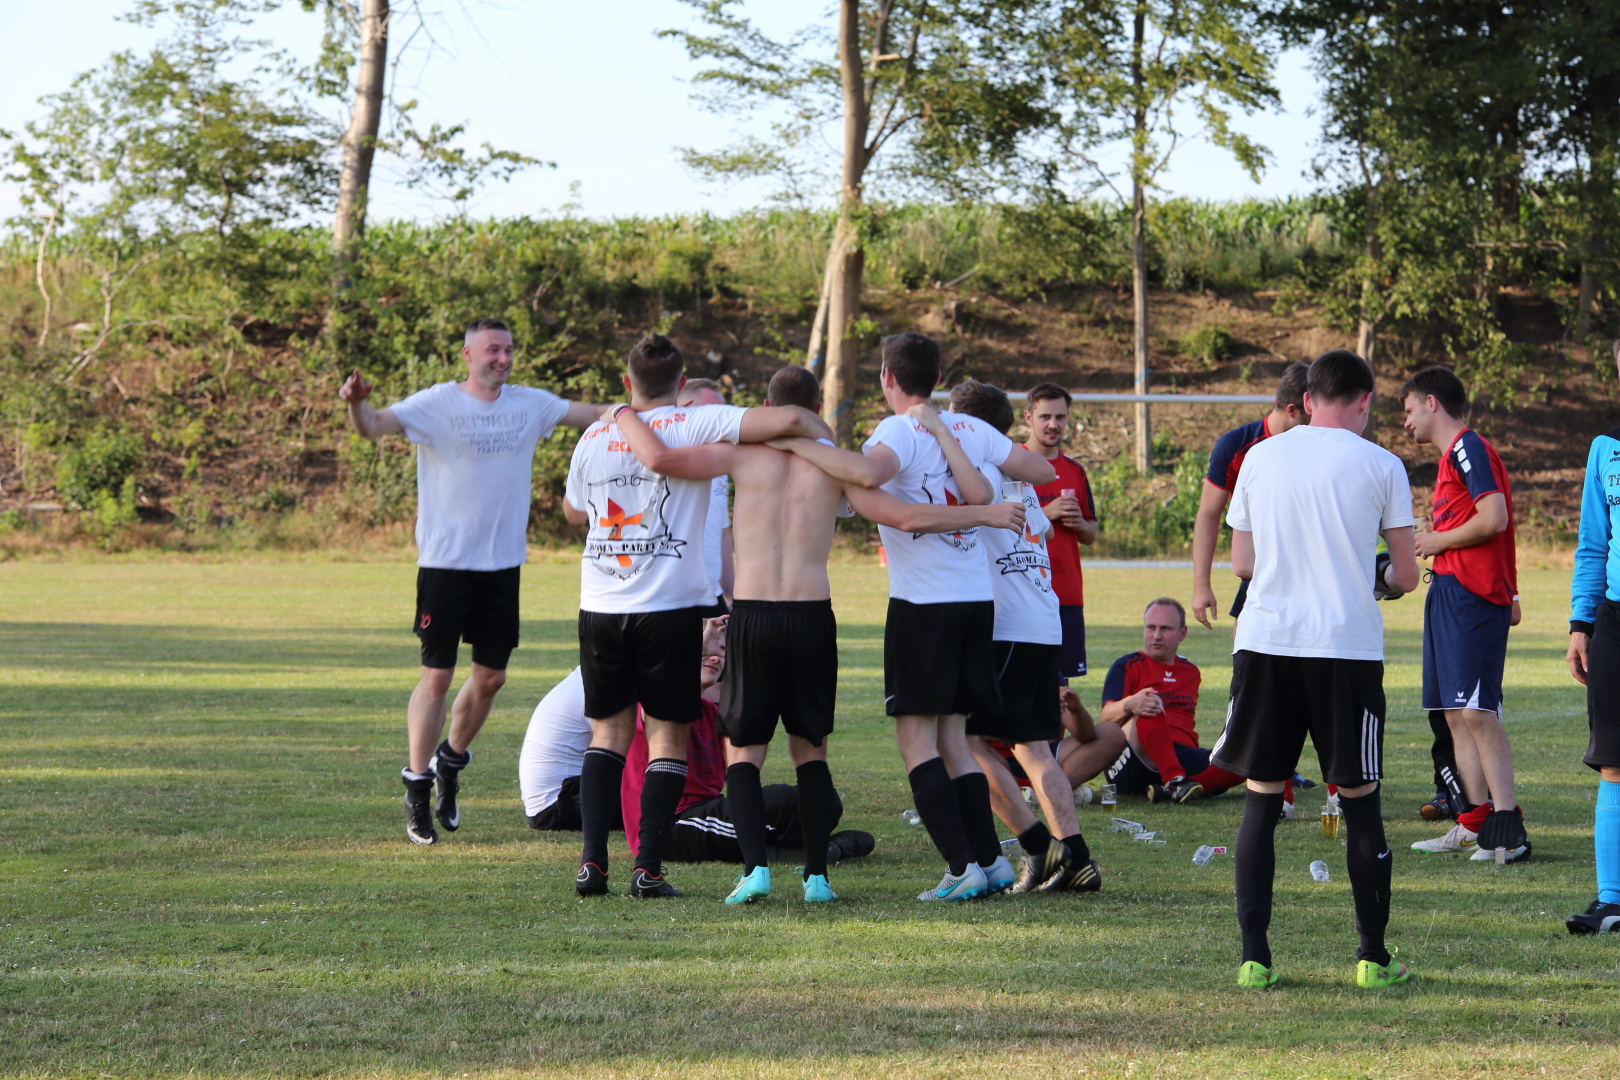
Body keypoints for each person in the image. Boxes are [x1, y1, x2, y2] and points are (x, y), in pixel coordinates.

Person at [612, 364, 1027, 903]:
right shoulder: (835, 465)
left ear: (768, 406)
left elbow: (663, 460)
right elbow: (903, 515)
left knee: (744, 752)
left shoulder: (737, 454)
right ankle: (816, 877)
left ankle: (755, 871)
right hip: (811, 617)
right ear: (816, 409)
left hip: (754, 616)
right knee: (812, 753)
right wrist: (984, 512)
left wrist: (624, 417)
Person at [562, 333, 821, 899]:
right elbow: (789, 419)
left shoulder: (594, 434)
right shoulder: (695, 422)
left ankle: (592, 865)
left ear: (627, 382)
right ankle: (647, 869)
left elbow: (573, 510)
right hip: (667, 609)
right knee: (666, 738)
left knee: (606, 735)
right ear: (681, 384)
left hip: (600, 604)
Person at [339, 316, 607, 846]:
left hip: (502, 567)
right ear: (468, 355)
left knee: (491, 679)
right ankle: (418, 787)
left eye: (508, 349)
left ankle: (451, 760)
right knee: (436, 678)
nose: (503, 359)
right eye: (492, 350)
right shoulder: (436, 404)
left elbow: (597, 412)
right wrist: (356, 403)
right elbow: (372, 426)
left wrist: (659, 407)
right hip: (445, 565)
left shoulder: (531, 405)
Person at [1207, 348, 1420, 990]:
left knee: (1261, 799)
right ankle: (1372, 959)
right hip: (1343, 648)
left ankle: (1254, 960)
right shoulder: (1382, 463)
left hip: (1266, 642)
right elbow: (1406, 575)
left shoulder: (1259, 456)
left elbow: (1242, 563)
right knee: (1359, 802)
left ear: (1306, 400)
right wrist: (1374, 576)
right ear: (1364, 401)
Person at [853, 332, 1058, 901]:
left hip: (924, 606)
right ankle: (991, 862)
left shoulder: (895, 431)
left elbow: (868, 476)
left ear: (887, 377)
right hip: (975, 604)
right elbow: (1037, 469)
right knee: (954, 740)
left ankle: (959, 866)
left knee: (915, 742)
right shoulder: (968, 427)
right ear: (939, 378)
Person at [947, 379, 1101, 894]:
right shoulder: (1017, 475)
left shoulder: (977, 473)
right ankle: (1077, 860)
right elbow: (1048, 530)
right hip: (1042, 622)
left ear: (964, 425)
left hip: (1007, 627)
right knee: (1034, 749)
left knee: (961, 742)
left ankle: (1040, 846)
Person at [620, 620, 875, 872]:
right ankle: (814, 851)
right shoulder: (649, 704)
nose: (716, 657)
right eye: (707, 650)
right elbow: (672, 675)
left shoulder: (712, 713)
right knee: (786, 802)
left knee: (823, 800)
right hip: (670, 825)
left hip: (708, 811)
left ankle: (797, 849)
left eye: (721, 650)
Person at [1401, 367, 1528, 863]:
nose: (1406, 422)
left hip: (1472, 598)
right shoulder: (1451, 458)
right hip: (1449, 592)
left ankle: (1509, 829)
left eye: (1409, 409)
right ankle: (1474, 822)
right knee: (1453, 713)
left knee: (1476, 711)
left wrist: (1436, 540)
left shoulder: (1468, 448)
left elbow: (1494, 517)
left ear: (1432, 402)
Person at [1565, 340, 1620, 935]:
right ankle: (1612, 899)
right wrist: (1581, 624)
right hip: (1614, 621)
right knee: (1613, 760)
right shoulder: (1605, 448)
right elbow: (1593, 543)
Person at [1191, 362, 1310, 630]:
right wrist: (1201, 585)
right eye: (1314, 413)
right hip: (1256, 574)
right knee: (1246, 647)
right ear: (1292, 410)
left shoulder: (1321, 446)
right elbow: (1208, 514)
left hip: (1310, 571)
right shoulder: (1236, 446)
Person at [1099, 598, 1246, 803]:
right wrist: (1131, 703)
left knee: (1241, 758)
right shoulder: (1127, 665)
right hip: (1134, 761)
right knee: (1150, 702)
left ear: (1182, 633)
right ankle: (1175, 781)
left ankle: (1182, 788)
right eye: (1151, 627)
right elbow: (1106, 717)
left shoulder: (1190, 671)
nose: (1156, 636)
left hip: (1182, 755)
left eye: (1165, 629)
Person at [1022, 383, 1099, 694]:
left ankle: (1056, 732)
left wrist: (1079, 523)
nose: (1053, 424)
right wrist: (1046, 513)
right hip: (1023, 592)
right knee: (1022, 685)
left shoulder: (1075, 471)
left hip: (1066, 593)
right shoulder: (1011, 464)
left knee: (1061, 692)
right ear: (1028, 417)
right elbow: (998, 524)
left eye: (1060, 417)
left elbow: (1091, 534)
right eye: (1045, 417)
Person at [680, 379, 735, 610]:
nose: (718, 423)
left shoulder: (719, 465)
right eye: (710, 414)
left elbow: (720, 532)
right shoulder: (662, 459)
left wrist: (733, 597)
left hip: (713, 595)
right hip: (671, 599)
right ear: (681, 412)